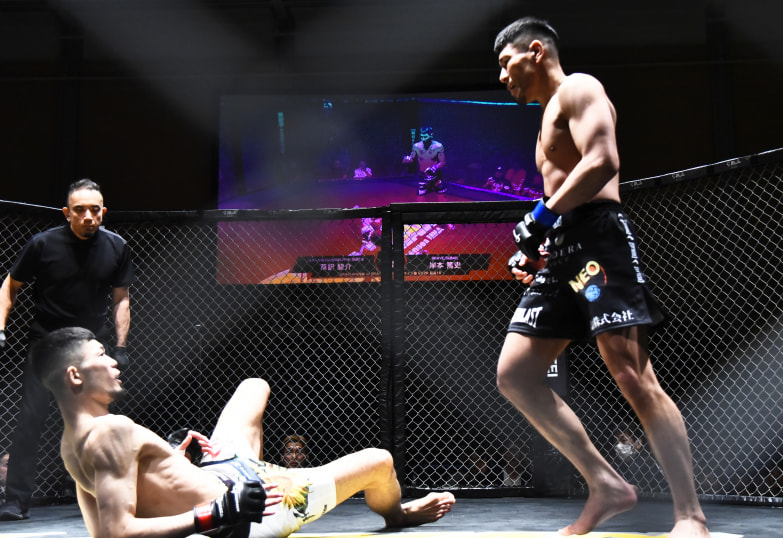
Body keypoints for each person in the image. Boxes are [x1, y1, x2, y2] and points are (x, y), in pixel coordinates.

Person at [493, 17, 710, 538]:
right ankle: (606, 484)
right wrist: (541, 245)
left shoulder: (579, 88)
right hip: (565, 250)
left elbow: (602, 160)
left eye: (505, 62)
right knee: (516, 374)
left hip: (598, 242)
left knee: (632, 374)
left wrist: (541, 216)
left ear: (536, 51)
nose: (502, 76)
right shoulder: (545, 117)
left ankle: (690, 516)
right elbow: (560, 194)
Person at [31, 326, 455, 538]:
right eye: (101, 355)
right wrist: (216, 513)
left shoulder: (72, 445)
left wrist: (172, 462)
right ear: (75, 375)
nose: (114, 362)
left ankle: (223, 470)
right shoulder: (110, 431)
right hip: (258, 509)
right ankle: (398, 516)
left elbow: (103, 527)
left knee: (254, 386)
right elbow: (115, 534)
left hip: (223, 475)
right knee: (380, 461)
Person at [0, 179, 135, 521]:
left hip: (90, 347)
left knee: (97, 422)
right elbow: (10, 286)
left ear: (103, 212)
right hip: (46, 345)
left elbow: (121, 299)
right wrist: (0, 328)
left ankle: (105, 496)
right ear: (67, 213)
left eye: (94, 210)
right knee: (30, 419)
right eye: (80, 210)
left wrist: (120, 347)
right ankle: (16, 500)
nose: (88, 216)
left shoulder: (116, 246)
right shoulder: (43, 244)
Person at [402, 126, 446, 195]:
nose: (423, 139)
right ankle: (427, 185)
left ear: (431, 135)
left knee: (440, 192)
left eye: (425, 137)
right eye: (421, 137)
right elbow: (412, 158)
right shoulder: (416, 146)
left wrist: (434, 168)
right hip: (422, 176)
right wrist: (407, 159)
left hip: (434, 175)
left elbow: (442, 162)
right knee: (421, 193)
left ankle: (437, 183)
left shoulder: (438, 146)